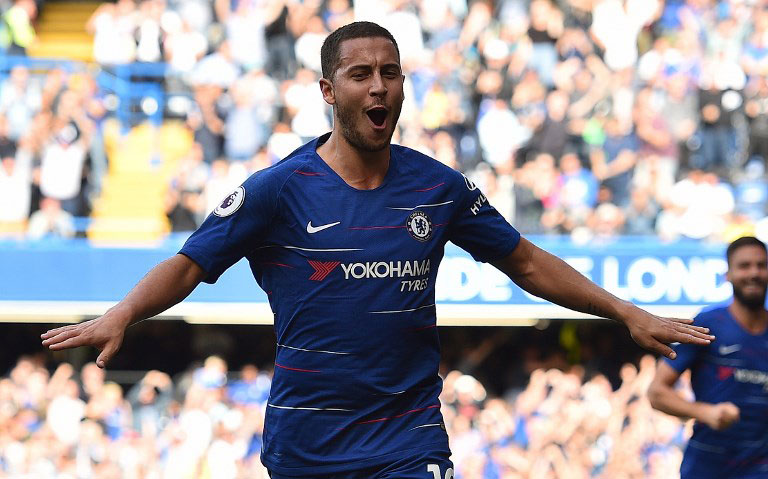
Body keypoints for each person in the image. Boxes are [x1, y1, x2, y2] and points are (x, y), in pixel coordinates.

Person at [42, 22, 713, 479]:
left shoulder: (438, 187)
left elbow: (528, 262)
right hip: (307, 443)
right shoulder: (279, 190)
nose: (379, 86)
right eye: (360, 74)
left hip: (409, 436)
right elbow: (189, 264)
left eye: (390, 73)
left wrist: (624, 311)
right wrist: (125, 311)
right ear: (329, 93)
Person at [648, 236, 768, 479]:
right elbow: (657, 393)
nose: (754, 273)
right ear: (728, 274)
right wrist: (705, 413)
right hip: (707, 467)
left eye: (761, 265)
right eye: (744, 266)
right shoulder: (707, 325)